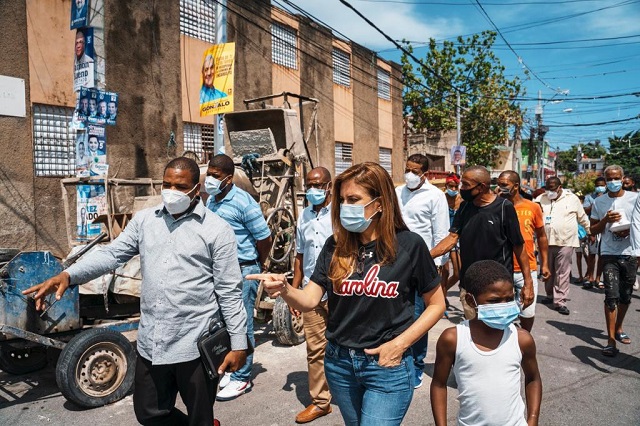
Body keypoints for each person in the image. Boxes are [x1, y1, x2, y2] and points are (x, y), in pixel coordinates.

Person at [23, 157, 249, 425]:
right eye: (167, 184)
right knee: (148, 412)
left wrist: (239, 344)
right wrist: (67, 275)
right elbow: (112, 254)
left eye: (180, 186)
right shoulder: (144, 221)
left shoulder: (217, 230)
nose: (172, 191)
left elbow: (229, 291)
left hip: (195, 344)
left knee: (200, 416)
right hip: (152, 341)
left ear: (195, 190)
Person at [248, 162, 446, 425]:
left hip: (386, 367)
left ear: (380, 203)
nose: (344, 206)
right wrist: (285, 289)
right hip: (340, 364)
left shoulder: (410, 245)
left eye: (354, 199)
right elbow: (310, 300)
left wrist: (400, 344)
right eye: (341, 200)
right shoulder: (334, 247)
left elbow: (437, 304)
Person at [430, 260, 542, 426]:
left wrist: (532, 420)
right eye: (494, 301)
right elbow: (439, 384)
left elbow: (533, 379)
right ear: (470, 300)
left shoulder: (521, 339)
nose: (504, 306)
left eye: (509, 299)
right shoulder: (453, 339)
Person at [205, 154, 272, 401]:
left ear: (229, 179)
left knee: (241, 323)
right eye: (208, 175)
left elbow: (264, 238)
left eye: (215, 176)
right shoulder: (211, 200)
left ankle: (242, 377)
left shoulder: (244, 203)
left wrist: (257, 265)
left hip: (243, 270)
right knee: (223, 323)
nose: (209, 180)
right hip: (218, 270)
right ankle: (230, 368)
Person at [430, 165, 535, 320]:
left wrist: (528, 282)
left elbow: (518, 246)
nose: (461, 188)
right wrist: (426, 255)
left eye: (466, 185)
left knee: (497, 331)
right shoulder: (465, 207)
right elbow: (452, 238)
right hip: (469, 284)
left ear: (482, 187)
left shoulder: (504, 208)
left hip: (497, 285)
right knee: (473, 330)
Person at [395, 154, 449, 388]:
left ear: (425, 174)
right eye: (407, 169)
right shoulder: (398, 192)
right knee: (396, 315)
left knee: (417, 317)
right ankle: (398, 358)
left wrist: (437, 266)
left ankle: (416, 365)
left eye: (415, 171)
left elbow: (441, 233)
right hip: (395, 263)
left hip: (422, 264)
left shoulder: (435, 197)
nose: (410, 174)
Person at [289, 167, 334, 424]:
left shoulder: (340, 213)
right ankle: (320, 402)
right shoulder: (304, 215)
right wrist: (295, 292)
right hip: (310, 290)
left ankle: (355, 390)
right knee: (315, 348)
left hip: (340, 291)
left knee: (347, 343)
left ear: (329, 186)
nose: (313, 189)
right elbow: (300, 255)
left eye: (318, 184)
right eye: (309, 184)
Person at [589, 165, 639, 357]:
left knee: (625, 296)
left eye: (616, 178)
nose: (612, 182)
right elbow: (593, 230)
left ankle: (619, 327)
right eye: (609, 178)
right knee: (611, 297)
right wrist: (606, 221)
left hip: (630, 253)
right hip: (609, 253)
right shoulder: (599, 202)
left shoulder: (634, 199)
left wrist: (631, 230)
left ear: (623, 177)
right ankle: (610, 341)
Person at [498, 171, 551, 332]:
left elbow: (541, 236)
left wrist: (545, 264)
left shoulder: (532, 207)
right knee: (501, 313)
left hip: (526, 268)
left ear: (516, 186)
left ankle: (525, 338)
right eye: (499, 184)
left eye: (504, 184)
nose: (500, 188)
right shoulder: (496, 206)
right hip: (502, 267)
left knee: (527, 311)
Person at [536, 177, 590, 315]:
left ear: (560, 187)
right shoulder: (540, 199)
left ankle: (560, 301)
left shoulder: (572, 199)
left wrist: (590, 231)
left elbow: (582, 217)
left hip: (565, 241)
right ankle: (549, 295)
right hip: (544, 242)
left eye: (552, 188)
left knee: (562, 272)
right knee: (547, 270)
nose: (549, 191)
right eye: (547, 188)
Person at [441, 173, 462, 306]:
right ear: (446, 185)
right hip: (443, 236)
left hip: (457, 237)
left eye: (455, 186)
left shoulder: (462, 200)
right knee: (445, 271)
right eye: (451, 186)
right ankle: (442, 300)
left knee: (458, 272)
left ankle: (441, 293)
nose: (453, 189)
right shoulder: (441, 198)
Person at [582, 177, 606, 289]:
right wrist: (595, 203)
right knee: (591, 255)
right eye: (598, 185)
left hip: (605, 230)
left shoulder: (608, 197)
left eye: (602, 185)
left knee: (601, 256)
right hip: (592, 228)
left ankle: (598, 278)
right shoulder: (589, 197)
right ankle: (590, 277)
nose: (600, 187)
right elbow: (585, 211)